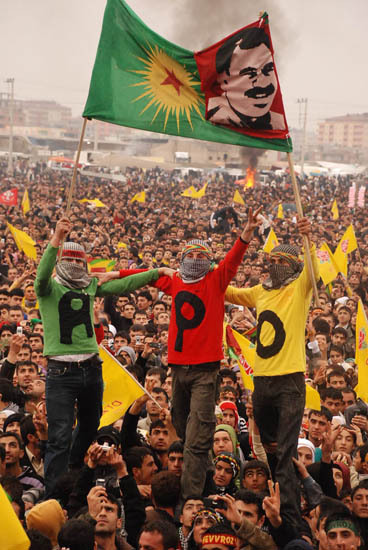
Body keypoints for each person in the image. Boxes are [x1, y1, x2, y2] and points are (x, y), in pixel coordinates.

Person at [35, 217, 171, 498]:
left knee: (90, 423)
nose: (74, 265)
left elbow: (125, 285)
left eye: (79, 260)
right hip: (61, 371)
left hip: (91, 368)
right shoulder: (47, 288)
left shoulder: (90, 286)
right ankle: (53, 496)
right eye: (68, 259)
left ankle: (72, 472)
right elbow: (40, 275)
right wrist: (55, 240)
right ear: (60, 260)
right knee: (59, 435)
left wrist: (155, 272)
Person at [154, 207, 261, 498]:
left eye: (203, 256)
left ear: (210, 261)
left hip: (205, 371)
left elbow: (234, 258)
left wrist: (247, 232)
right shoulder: (174, 280)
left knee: (198, 439)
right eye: (192, 255)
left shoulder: (217, 280)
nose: (197, 260)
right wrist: (109, 276)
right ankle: (208, 477)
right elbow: (143, 277)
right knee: (181, 424)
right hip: (178, 369)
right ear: (182, 259)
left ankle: (191, 500)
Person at [225, 216, 319, 529]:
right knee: (272, 452)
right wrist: (207, 272)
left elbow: (314, 272)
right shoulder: (260, 291)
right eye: (271, 260)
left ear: (293, 265)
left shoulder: (300, 287)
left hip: (290, 381)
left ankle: (290, 520)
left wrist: (308, 238)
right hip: (262, 384)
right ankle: (273, 506)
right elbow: (230, 292)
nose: (274, 265)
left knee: (287, 452)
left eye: (281, 261)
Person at [204, 26, 285, 131]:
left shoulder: (277, 124)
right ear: (224, 81)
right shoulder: (213, 117)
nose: (261, 83)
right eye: (250, 74)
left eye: (268, 69)